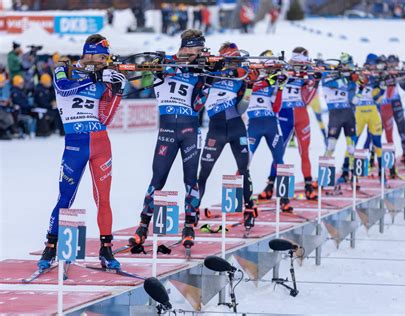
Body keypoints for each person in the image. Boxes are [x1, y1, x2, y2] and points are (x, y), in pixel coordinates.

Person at [37, 34, 126, 271]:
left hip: (100, 144)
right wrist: (95, 77)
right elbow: (63, 89)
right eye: (100, 57)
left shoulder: (103, 77)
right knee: (65, 198)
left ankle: (106, 249)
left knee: (104, 199)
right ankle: (51, 246)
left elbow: (105, 117)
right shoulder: (63, 69)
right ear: (87, 53)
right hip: (75, 145)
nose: (104, 61)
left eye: (106, 58)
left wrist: (117, 91)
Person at [130, 29, 209, 252]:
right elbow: (148, 77)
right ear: (185, 47)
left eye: (201, 49)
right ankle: (143, 226)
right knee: (157, 179)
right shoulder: (164, 63)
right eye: (196, 49)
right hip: (167, 131)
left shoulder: (198, 69)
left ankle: (189, 227)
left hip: (190, 130)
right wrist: (167, 65)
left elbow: (197, 106)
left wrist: (207, 80)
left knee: (191, 180)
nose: (199, 53)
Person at [197, 42, 258, 229]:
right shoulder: (210, 73)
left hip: (236, 127)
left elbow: (242, 108)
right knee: (203, 173)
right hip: (216, 130)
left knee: (243, 169)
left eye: (237, 60)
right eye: (232, 60)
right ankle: (193, 212)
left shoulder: (241, 75)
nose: (235, 64)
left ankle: (249, 209)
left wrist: (249, 87)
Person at [261, 47, 320, 200]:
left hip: (301, 114)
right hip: (284, 115)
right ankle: (270, 185)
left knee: (304, 152)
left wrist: (315, 82)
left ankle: (308, 185)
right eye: (297, 64)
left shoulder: (306, 74)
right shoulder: (282, 70)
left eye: (303, 64)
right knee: (279, 152)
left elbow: (307, 99)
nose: (300, 67)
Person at [246, 50, 291, 211]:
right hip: (254, 124)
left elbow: (277, 107)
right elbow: (251, 87)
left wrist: (280, 88)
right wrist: (269, 81)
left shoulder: (273, 81)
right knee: (244, 160)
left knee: (280, 160)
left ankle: (285, 199)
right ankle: (242, 198)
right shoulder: (252, 75)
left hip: (271, 123)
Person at [319, 53, 357, 184]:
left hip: (348, 114)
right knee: (330, 147)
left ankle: (352, 176)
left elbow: (353, 95)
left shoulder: (349, 78)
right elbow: (330, 82)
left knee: (351, 147)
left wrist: (352, 79)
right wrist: (344, 77)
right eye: (347, 66)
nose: (349, 68)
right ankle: (323, 178)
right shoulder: (330, 76)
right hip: (335, 115)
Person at [353, 54, 385, 180]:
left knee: (377, 142)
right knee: (353, 142)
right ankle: (349, 171)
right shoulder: (360, 73)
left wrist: (382, 88)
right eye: (374, 64)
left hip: (372, 111)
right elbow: (356, 85)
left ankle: (382, 172)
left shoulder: (376, 76)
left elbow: (376, 98)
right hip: (359, 111)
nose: (375, 66)